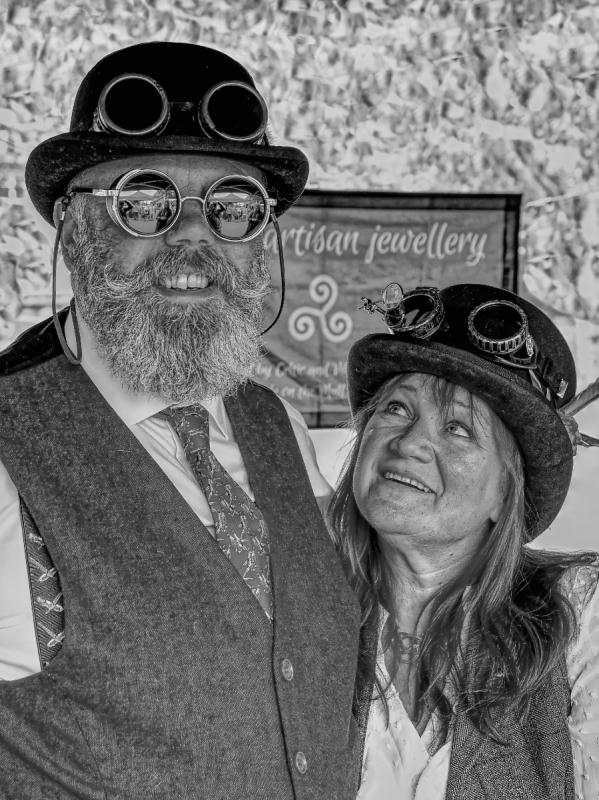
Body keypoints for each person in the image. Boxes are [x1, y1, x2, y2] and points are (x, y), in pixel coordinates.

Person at [0, 42, 363, 800]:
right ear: (72, 225)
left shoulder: (276, 425)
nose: (193, 234)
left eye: (233, 206)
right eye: (142, 202)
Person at [328, 282, 599, 799]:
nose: (410, 443)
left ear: (505, 493)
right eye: (397, 409)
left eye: (458, 429)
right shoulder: (295, 604)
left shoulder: (580, 616)